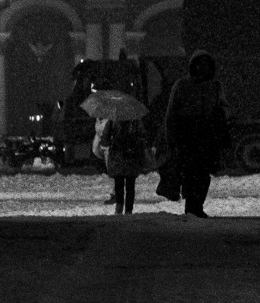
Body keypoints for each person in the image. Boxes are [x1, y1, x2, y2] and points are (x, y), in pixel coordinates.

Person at [162, 51, 230, 219]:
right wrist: (171, 138)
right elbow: (171, 114)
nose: (203, 68)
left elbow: (225, 108)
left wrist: (220, 116)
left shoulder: (215, 86)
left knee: (203, 173)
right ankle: (192, 207)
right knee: (190, 172)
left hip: (206, 135)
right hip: (187, 135)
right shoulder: (182, 85)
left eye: (206, 65)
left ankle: (196, 205)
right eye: (200, 65)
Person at [94, 112, 149, 214]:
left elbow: (106, 136)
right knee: (130, 184)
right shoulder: (135, 120)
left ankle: (119, 207)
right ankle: (129, 209)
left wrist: (107, 143)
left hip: (117, 154)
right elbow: (142, 134)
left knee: (119, 183)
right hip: (131, 154)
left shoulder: (113, 120)